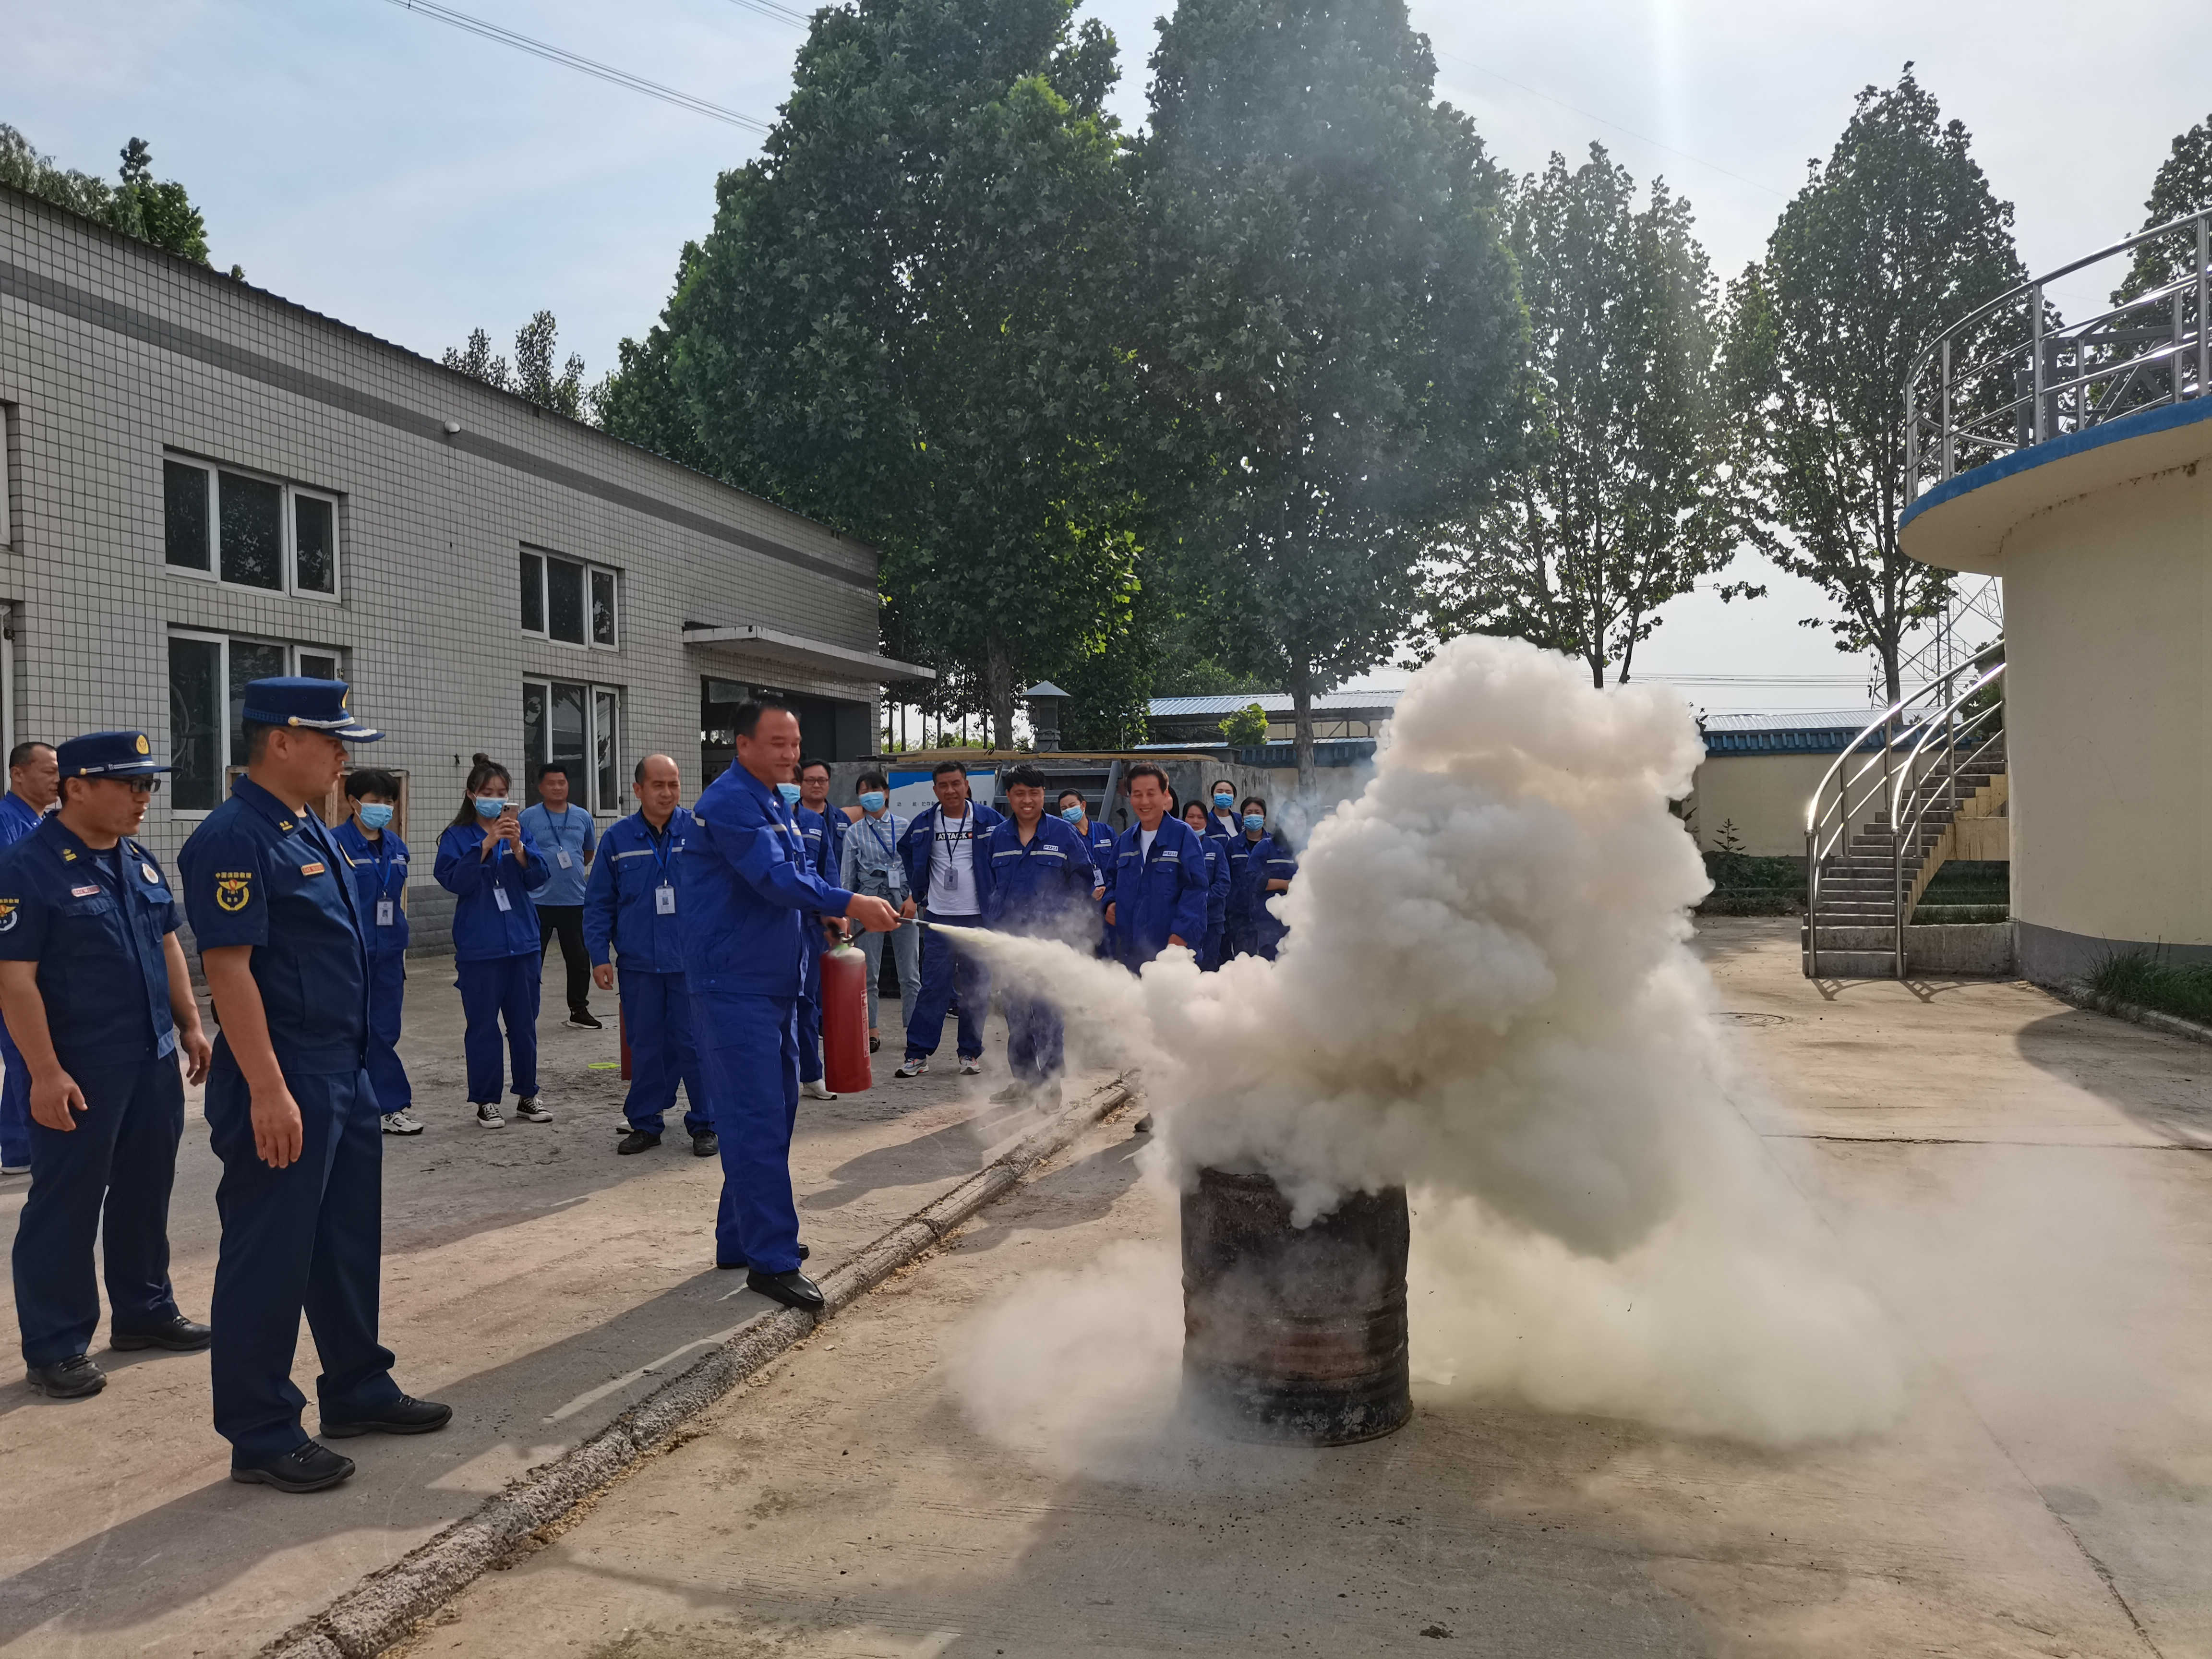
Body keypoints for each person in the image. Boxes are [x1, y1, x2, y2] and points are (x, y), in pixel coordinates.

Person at [180, 679, 450, 1493]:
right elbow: (229, 971)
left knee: (343, 1242)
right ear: (280, 741)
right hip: (285, 1073)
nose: (343, 757)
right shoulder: (233, 837)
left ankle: (357, 1385)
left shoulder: (306, 827)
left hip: (342, 1068)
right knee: (270, 1254)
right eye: (332, 741)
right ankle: (261, 1430)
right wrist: (267, 1089)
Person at [0, 731, 213, 1399]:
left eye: (148, 785)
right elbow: (14, 980)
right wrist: (44, 1071)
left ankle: (144, 1311)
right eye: (130, 785)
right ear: (78, 787)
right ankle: (56, 1345)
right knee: (66, 1202)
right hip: (80, 1066)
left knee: (146, 1188)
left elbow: (167, 939)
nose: (143, 798)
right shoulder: (27, 868)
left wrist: (190, 1023)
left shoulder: (137, 859)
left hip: (150, 1057)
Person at [682, 701, 899, 1311]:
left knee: (772, 1112)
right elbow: (774, 879)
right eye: (778, 743)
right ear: (742, 745)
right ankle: (772, 1261)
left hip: (773, 979)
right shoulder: (730, 802)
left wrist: (825, 914)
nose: (790, 754)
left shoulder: (773, 800)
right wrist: (849, 901)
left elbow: (797, 873)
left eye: (795, 743)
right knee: (755, 1117)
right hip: (733, 983)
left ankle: (741, 1238)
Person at [585, 753, 715, 1159]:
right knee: (645, 1047)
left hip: (691, 964)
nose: (667, 793)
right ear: (638, 790)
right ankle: (645, 1123)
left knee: (696, 1044)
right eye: (658, 785)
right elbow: (599, 903)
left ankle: (707, 1124)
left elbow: (721, 895)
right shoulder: (617, 839)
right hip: (639, 964)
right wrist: (598, 956)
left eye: (673, 784)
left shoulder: (699, 833)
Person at [434, 756, 553, 1128]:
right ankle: (486, 1100)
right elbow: (456, 881)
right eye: (488, 793)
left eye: (502, 793)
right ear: (471, 795)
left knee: (524, 1024)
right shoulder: (457, 837)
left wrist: (518, 848)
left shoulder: (520, 831)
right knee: (483, 1027)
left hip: (523, 943)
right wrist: (485, 844)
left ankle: (528, 1094)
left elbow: (539, 877)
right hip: (480, 947)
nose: (496, 799)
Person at [979, 763, 1096, 1105]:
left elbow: (1083, 881)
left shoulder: (1063, 833)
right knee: (1016, 1015)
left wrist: (1066, 924)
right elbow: (989, 887)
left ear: (1043, 795)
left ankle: (1050, 1084)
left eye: (1034, 793)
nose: (1027, 800)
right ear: (1009, 796)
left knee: (1048, 1014)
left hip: (1051, 941)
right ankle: (1024, 1081)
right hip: (1011, 943)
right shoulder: (999, 837)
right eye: (1020, 793)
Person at [893, 760, 1003, 1078]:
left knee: (975, 987)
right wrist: (918, 891)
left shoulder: (989, 820)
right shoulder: (925, 822)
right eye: (943, 785)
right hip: (939, 918)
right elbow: (906, 850)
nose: (951, 790)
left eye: (956, 783)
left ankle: (969, 1053)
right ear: (935, 789)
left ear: (967, 785)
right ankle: (918, 1054)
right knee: (933, 987)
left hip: (978, 918)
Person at [334, 769, 419, 1136]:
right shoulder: (334, 845)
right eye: (375, 801)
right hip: (349, 955)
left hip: (388, 954)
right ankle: (353, 1105)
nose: (383, 807)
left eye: (388, 801)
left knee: (384, 1031)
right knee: (347, 1032)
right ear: (353, 802)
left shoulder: (396, 846)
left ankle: (386, 1106)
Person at [0, 740, 58, 1177]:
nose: (58, 780)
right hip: (12, 956)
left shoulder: (43, 822)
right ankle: (29, 1148)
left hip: (34, 955)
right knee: (24, 1048)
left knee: (22, 1048)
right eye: (48, 771)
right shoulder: (6, 822)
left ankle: (19, 1148)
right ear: (18, 774)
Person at [838, 770, 918, 1054]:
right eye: (864, 791)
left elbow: (917, 867)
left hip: (903, 902)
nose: (870, 795)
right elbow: (847, 876)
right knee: (868, 973)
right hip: (868, 903)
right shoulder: (854, 832)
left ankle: (914, 1031)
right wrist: (846, 911)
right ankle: (870, 1029)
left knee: (910, 973)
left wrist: (914, 899)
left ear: (886, 793)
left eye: (875, 789)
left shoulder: (905, 826)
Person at [1104, 762, 1210, 970]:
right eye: (1137, 794)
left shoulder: (1183, 836)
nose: (1144, 802)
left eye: (1151, 794)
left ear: (1165, 795)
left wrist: (1180, 936)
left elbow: (1196, 889)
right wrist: (1109, 903)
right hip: (1132, 951)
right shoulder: (1126, 840)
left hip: (1173, 951)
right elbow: (1111, 880)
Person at [520, 763, 600, 1030]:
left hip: (574, 900)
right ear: (540, 787)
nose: (557, 787)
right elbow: (519, 852)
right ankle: (524, 1015)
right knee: (532, 961)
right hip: (537, 901)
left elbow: (587, 853)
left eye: (562, 783)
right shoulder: (528, 817)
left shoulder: (582, 816)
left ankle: (579, 1010)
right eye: (551, 783)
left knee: (579, 960)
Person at [789, 767, 840, 1104]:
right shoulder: (761, 821)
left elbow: (828, 871)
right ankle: (781, 1077)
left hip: (810, 927)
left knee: (807, 1003)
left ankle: (811, 1075)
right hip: (773, 926)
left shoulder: (813, 822)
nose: (789, 787)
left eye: (794, 781)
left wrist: (834, 913)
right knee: (777, 1005)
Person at [1180, 800, 1233, 971]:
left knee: (1209, 968)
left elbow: (1224, 883)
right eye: (1191, 817)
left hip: (1212, 920)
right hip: (1183, 920)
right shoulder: (1177, 846)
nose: (1195, 821)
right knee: (1184, 968)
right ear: (1183, 819)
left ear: (1207, 821)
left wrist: (1202, 899)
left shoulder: (1216, 848)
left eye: (1200, 817)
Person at [1225, 794, 1274, 961]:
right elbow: (1226, 877)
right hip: (1240, 915)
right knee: (1244, 962)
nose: (1253, 816)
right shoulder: (1233, 845)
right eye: (1249, 813)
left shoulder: (1274, 844)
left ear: (1264, 817)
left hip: (1270, 913)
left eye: (1257, 812)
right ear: (1243, 818)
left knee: (1271, 961)